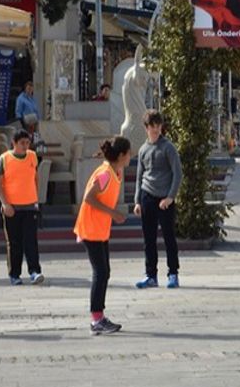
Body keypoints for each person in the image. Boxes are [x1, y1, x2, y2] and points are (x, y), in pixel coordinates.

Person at [74, 137, 132, 336]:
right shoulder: (105, 173)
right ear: (122, 155)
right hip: (91, 227)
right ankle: (96, 319)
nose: (131, 156)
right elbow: (88, 197)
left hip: (99, 228)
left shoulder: (114, 171)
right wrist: (113, 212)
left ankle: (99, 316)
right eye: (129, 153)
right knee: (100, 272)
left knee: (104, 271)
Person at [133, 110, 183, 289]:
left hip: (164, 199)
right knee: (149, 239)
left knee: (169, 237)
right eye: (152, 126)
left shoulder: (168, 147)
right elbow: (140, 176)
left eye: (158, 126)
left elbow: (178, 174)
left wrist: (170, 197)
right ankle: (150, 275)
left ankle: (173, 273)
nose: (156, 130)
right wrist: (137, 201)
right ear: (146, 128)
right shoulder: (143, 150)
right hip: (147, 196)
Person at [0, 130, 44, 286]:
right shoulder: (5, 159)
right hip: (12, 207)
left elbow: (35, 178)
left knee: (31, 241)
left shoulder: (32, 157)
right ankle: (14, 274)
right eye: (22, 143)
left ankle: (34, 271)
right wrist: (4, 203)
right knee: (14, 242)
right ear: (14, 143)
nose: (25, 146)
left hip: (30, 206)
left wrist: (36, 199)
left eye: (27, 143)